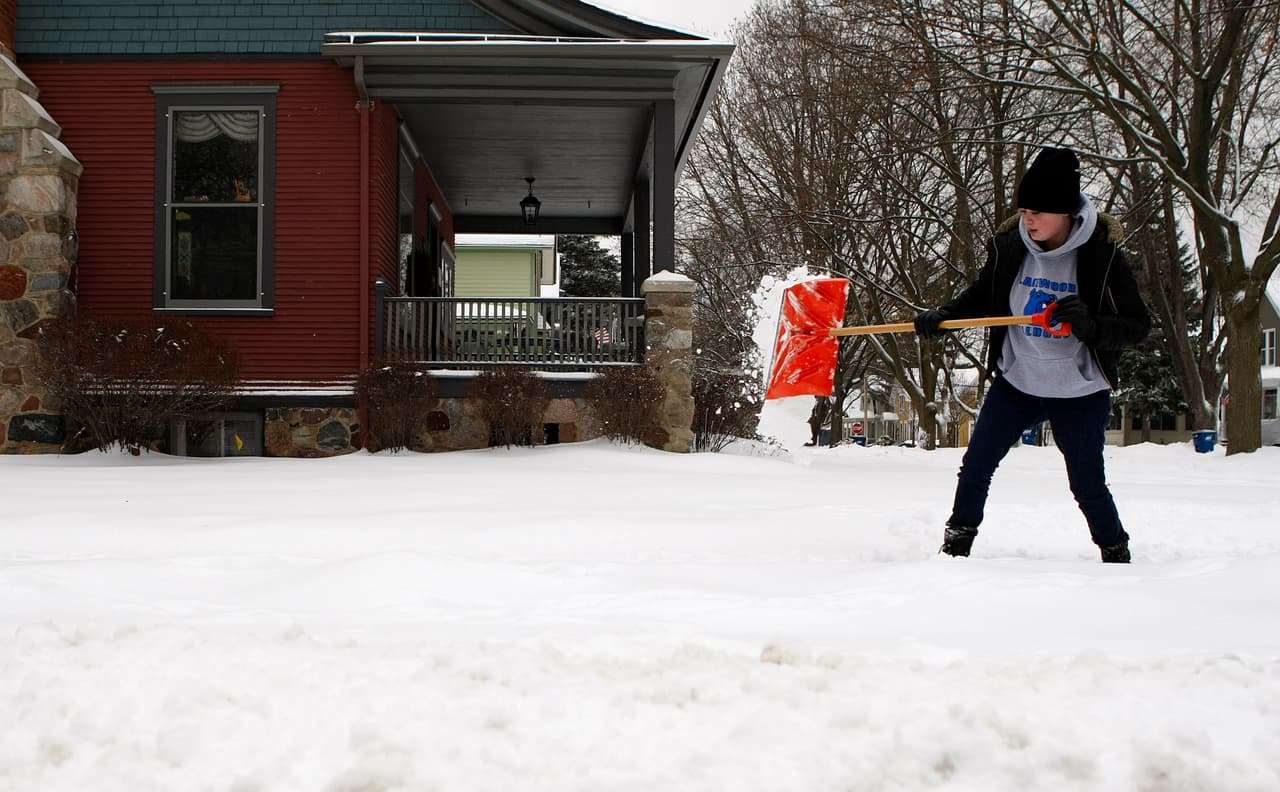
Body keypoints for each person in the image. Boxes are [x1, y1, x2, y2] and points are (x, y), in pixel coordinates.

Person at [913, 147, 1151, 563]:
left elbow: (1137, 325)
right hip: (1019, 381)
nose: (1030, 219)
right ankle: (955, 547)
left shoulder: (1102, 256)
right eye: (1025, 209)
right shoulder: (1011, 247)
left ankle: (1115, 552)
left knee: (1087, 481)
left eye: (1040, 211)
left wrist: (1093, 327)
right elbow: (983, 295)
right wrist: (944, 316)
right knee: (976, 464)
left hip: (1079, 390)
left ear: (1066, 212)